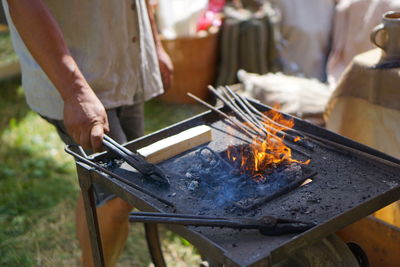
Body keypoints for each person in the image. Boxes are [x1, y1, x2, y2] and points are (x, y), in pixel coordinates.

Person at [3, 0, 173, 266]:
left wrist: (155, 42)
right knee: (120, 195)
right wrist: (75, 92)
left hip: (127, 61)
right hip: (78, 76)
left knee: (106, 192)